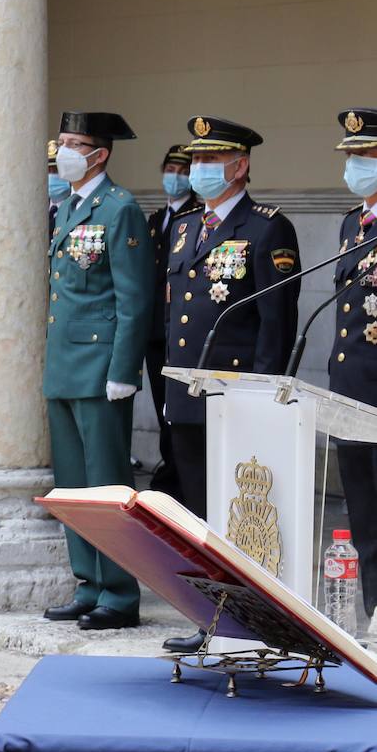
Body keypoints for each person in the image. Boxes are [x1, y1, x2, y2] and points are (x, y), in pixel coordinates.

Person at [160, 115, 301, 654]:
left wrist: (261, 393)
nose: (199, 170)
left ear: (240, 166)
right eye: (195, 161)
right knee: (198, 509)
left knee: (237, 512)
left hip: (236, 394)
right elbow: (177, 316)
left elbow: (276, 321)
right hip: (186, 392)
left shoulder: (267, 227)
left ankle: (250, 617)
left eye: (211, 161)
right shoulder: (185, 225)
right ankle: (211, 617)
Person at [41, 111, 154, 631]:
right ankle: (87, 582)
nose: (62, 151)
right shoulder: (67, 205)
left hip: (100, 363)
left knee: (106, 484)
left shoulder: (120, 208)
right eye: (61, 142)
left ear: (99, 154)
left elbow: (134, 296)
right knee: (72, 486)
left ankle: (120, 592)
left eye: (73, 143)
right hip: (64, 360)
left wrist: (123, 369)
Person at [328, 107, 377, 624]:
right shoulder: (352, 223)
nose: (355, 165)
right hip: (351, 392)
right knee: (362, 514)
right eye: (351, 155)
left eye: (366, 155)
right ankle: (373, 609)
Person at [144, 145, 201, 499]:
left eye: (183, 169)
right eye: (170, 168)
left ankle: (181, 475)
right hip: (155, 331)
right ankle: (169, 470)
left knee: (182, 413)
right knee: (163, 407)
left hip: (183, 331)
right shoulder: (155, 220)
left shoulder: (196, 217)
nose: (175, 175)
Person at [47, 140, 70, 236]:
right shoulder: (35, 206)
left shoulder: (78, 206)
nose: (52, 175)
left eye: (57, 170)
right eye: (48, 170)